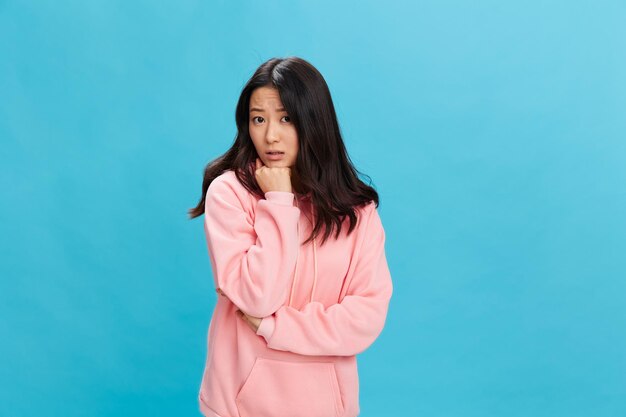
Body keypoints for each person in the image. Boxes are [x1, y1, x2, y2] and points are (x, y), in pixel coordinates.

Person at [188, 56, 393, 417]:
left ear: (314, 121)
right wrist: (278, 201)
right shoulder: (230, 193)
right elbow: (257, 296)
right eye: (258, 119)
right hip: (239, 407)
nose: (270, 135)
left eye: (286, 118)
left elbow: (365, 319)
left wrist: (273, 326)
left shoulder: (357, 210)